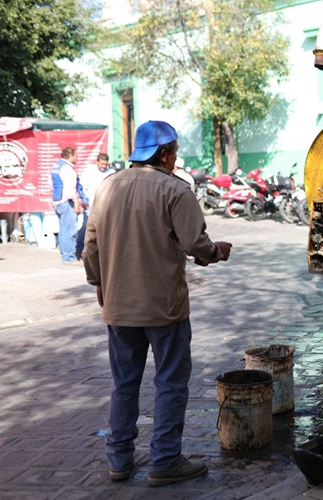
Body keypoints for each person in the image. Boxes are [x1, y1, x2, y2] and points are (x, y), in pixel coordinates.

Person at [83, 120, 232, 486]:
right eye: (175, 153)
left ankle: (119, 460)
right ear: (165, 155)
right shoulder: (175, 189)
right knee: (170, 384)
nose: (175, 159)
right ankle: (165, 461)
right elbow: (196, 245)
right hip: (164, 307)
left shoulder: (107, 187)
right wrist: (217, 252)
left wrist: (99, 282)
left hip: (118, 306)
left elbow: (90, 247)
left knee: (124, 384)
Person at [76, 153, 114, 259]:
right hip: (90, 206)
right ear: (97, 162)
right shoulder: (89, 171)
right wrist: (83, 200)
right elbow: (82, 187)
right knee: (86, 229)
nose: (103, 166)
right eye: (101, 164)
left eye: (105, 164)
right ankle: (79, 250)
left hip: (105, 207)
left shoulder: (111, 173)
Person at [51, 147, 84, 265]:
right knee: (70, 230)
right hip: (66, 202)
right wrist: (76, 203)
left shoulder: (57, 165)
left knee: (64, 230)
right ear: (70, 155)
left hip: (58, 201)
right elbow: (70, 188)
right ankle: (69, 258)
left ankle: (66, 255)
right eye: (75, 155)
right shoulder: (66, 168)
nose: (76, 158)